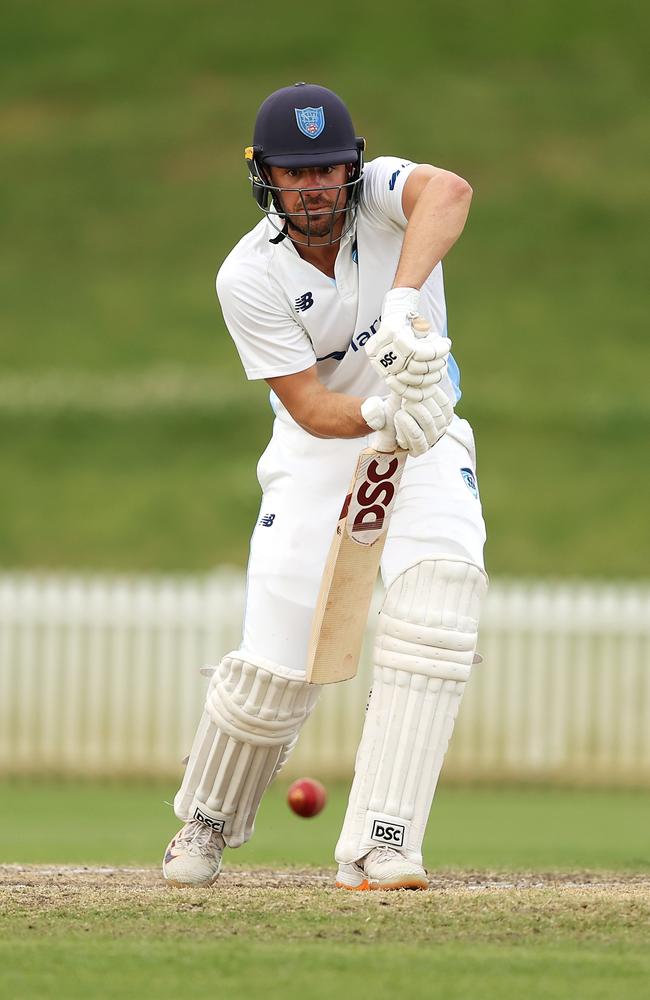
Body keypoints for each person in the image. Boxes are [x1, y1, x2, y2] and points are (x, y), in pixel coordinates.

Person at [162, 82, 487, 890]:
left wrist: (406, 301)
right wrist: (382, 408)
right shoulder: (247, 275)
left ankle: (384, 842)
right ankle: (206, 817)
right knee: (278, 667)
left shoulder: (380, 203)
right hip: (321, 455)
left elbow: (449, 191)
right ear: (265, 176)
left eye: (329, 168)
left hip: (431, 432)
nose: (315, 187)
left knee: (440, 604)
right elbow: (307, 406)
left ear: (354, 166)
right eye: (295, 172)